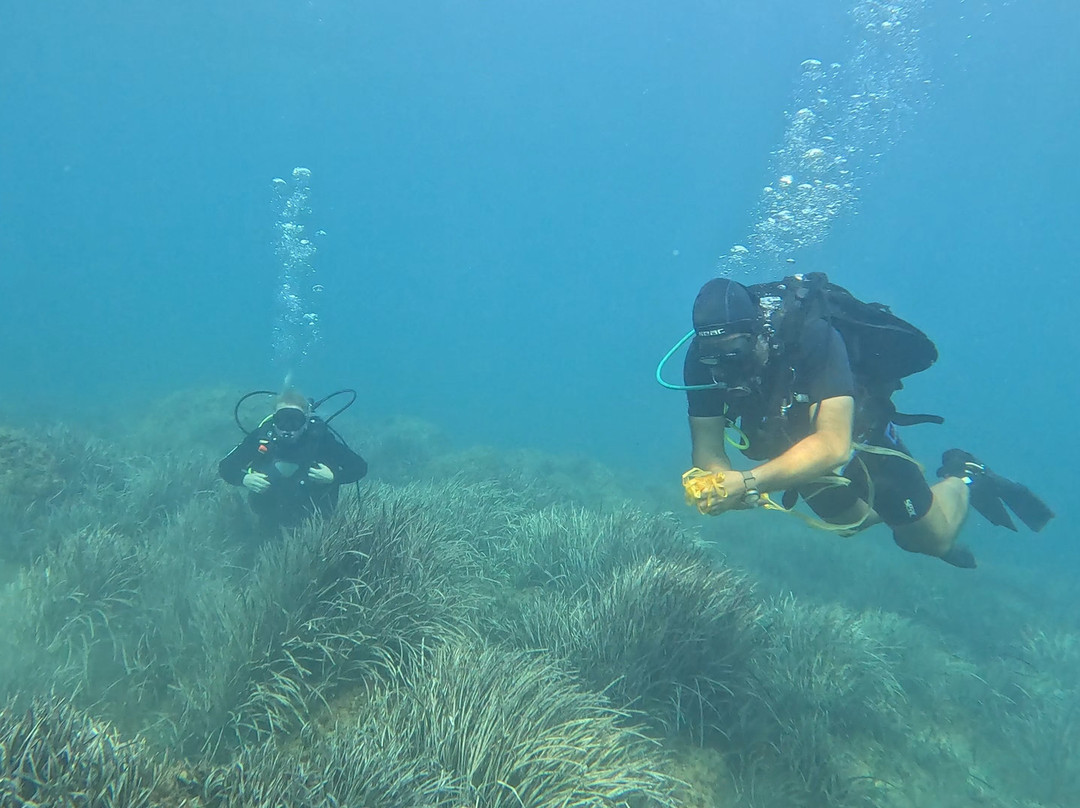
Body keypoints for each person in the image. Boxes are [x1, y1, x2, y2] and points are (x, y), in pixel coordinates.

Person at [672, 274, 1053, 568]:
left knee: (926, 541)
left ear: (759, 332)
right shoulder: (701, 359)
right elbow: (707, 449)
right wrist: (722, 485)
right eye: (712, 357)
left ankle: (965, 474)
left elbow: (834, 445)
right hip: (794, 446)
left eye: (734, 353)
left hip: (856, 433)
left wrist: (749, 480)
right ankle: (909, 514)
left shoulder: (810, 336)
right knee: (853, 524)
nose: (724, 367)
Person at [219, 388, 368, 529]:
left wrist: (334, 477)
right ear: (273, 419)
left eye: (295, 420)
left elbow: (359, 467)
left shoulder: (321, 440)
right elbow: (226, 466)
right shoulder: (261, 437)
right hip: (268, 516)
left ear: (306, 421)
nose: (287, 428)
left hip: (315, 522)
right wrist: (243, 479)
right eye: (282, 420)